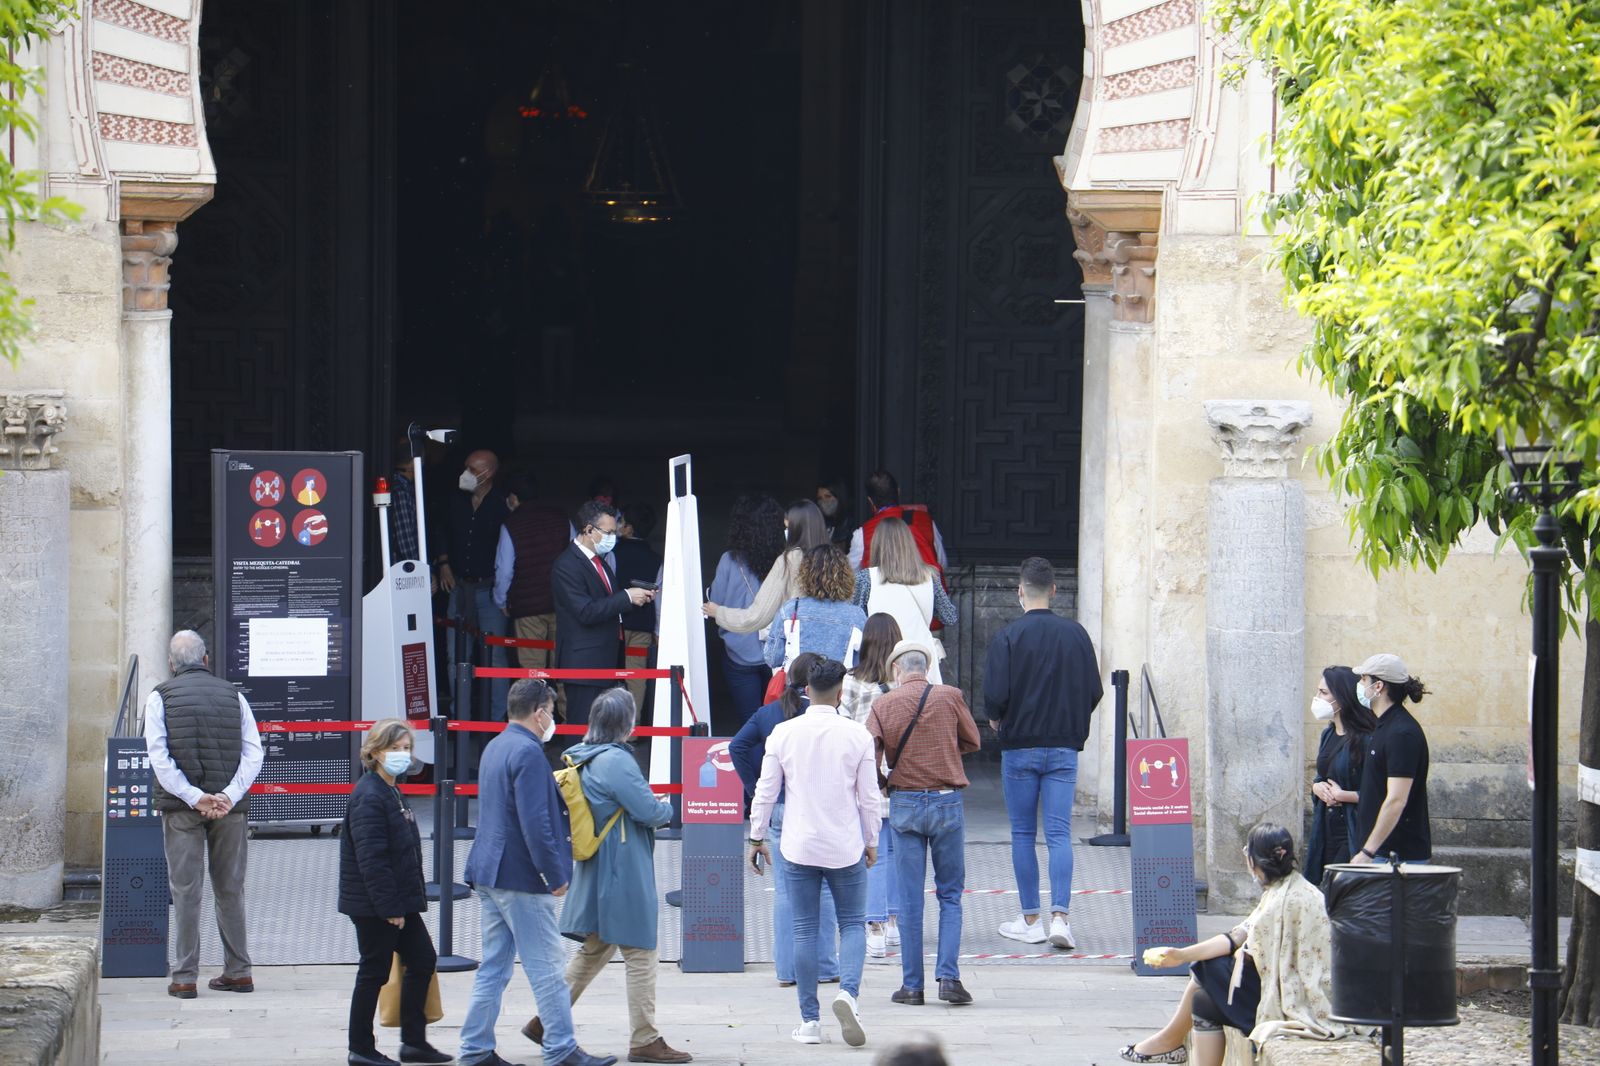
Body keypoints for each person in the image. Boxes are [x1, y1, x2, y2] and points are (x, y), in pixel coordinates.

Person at [522, 690, 690, 1064]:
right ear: (624, 723)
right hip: (623, 865)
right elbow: (647, 810)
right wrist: (668, 807)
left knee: (594, 949)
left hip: (599, 864)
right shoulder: (617, 760)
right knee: (642, 951)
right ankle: (644, 1038)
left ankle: (546, 1022)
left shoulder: (583, 754)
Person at [459, 679, 615, 1066]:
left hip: (489, 871)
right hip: (521, 877)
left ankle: (475, 1048)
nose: (554, 718)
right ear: (539, 712)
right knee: (546, 966)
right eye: (552, 710)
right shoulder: (528, 753)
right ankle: (560, 1048)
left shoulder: (496, 745)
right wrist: (554, 874)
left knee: (494, 967)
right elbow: (536, 822)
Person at [1120, 824, 1348, 1065]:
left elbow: (1246, 951)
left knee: (1209, 966)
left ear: (1253, 861)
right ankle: (1169, 1041)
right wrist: (1181, 955)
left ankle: (1169, 1040)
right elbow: (1237, 936)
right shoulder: (1291, 888)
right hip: (1305, 994)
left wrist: (1185, 956)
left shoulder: (1281, 900)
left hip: (1297, 1002)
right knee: (1203, 1002)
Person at [748, 659, 879, 1048]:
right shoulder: (857, 735)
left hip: (798, 844)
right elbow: (869, 798)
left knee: (804, 929)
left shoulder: (783, 733)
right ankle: (848, 995)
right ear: (841, 693)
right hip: (846, 844)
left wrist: (756, 837)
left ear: (806, 690)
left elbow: (766, 790)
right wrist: (871, 840)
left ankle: (809, 1021)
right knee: (853, 924)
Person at [982, 556, 1103, 950]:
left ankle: (1031, 917)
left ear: (1020, 592)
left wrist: (997, 720)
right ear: (1054, 589)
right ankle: (1061, 918)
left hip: (1020, 747)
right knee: (1059, 833)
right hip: (1063, 747)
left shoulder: (1008, 637)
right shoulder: (1077, 635)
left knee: (1022, 832)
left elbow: (995, 694)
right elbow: (1094, 691)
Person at [144, 630, 263, 1000]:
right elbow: (253, 753)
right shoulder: (235, 695)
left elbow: (159, 758)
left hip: (181, 809)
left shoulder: (158, 697)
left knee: (185, 890)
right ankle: (239, 971)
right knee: (230, 889)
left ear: (171, 663)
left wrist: (195, 797)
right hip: (229, 809)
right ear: (206, 659)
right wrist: (226, 796)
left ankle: (184, 977)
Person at [866, 641, 981, 1006]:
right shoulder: (950, 696)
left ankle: (912, 985)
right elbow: (973, 740)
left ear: (897, 671)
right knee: (950, 894)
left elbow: (869, 756)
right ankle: (948, 978)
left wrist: (885, 783)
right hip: (947, 801)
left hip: (906, 803)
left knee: (910, 899)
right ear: (926, 669)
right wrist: (945, 751)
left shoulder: (883, 704)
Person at [339, 719, 449, 1066]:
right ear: (374, 752)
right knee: (374, 971)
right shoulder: (370, 795)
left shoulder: (388, 789)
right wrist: (390, 907)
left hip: (396, 900)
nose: (402, 755)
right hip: (377, 904)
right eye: (395, 748)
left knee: (421, 959)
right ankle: (361, 1047)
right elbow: (373, 859)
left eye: (406, 749)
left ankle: (414, 1041)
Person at [728, 653, 841, 987]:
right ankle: (824, 966)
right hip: (819, 807)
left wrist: (755, 787)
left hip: (778, 806)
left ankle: (787, 971)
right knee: (825, 887)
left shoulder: (768, 713)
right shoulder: (825, 715)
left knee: (786, 892)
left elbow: (736, 747)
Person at [551, 500, 655, 728]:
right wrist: (626, 597)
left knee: (602, 732)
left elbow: (606, 603)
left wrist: (635, 599)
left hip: (605, 661)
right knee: (582, 734)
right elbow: (586, 611)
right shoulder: (566, 565)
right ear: (588, 529)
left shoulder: (600, 561)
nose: (614, 538)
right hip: (583, 665)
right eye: (608, 532)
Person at [838, 614, 904, 958]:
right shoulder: (906, 685)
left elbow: (844, 732)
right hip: (901, 779)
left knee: (873, 852)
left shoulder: (850, 682)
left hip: (866, 781)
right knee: (896, 854)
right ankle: (894, 922)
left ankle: (874, 925)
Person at [436, 449, 513, 720]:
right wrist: (443, 563)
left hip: (490, 591)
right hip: (458, 588)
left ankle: (495, 721)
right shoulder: (456, 498)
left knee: (495, 659)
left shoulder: (503, 504)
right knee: (456, 658)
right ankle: (460, 720)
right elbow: (441, 529)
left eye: (471, 469)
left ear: (487, 473)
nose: (465, 473)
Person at [494, 473, 573, 711]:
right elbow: (577, 556)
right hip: (562, 604)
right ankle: (570, 725)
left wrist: (501, 600)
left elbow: (504, 569)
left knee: (532, 671)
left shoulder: (511, 525)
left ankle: (533, 724)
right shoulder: (561, 518)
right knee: (564, 667)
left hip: (527, 609)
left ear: (513, 498)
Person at [707, 495, 787, 724]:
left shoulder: (728, 560)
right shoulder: (787, 561)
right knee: (779, 719)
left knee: (750, 721)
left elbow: (716, 601)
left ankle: (755, 759)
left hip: (738, 653)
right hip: (778, 651)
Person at [851, 517, 957, 685]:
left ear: (877, 545)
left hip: (881, 666)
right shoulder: (929, 576)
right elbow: (950, 616)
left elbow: (854, 619)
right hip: (921, 665)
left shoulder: (866, 578)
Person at [702, 499, 829, 638]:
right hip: (832, 647)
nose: (785, 533)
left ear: (797, 530)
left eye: (787, 528)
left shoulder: (790, 560)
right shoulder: (836, 559)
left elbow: (757, 616)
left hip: (801, 647)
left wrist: (718, 612)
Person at [1349, 653, 1432, 864]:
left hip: (1394, 858)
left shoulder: (1401, 733)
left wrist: (1368, 852)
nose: (1359, 684)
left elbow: (1396, 799)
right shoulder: (1384, 726)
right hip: (1380, 854)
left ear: (1378, 686)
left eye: (1363, 679)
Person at [1303, 666, 1377, 885]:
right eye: (1318, 691)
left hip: (1353, 829)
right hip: (1325, 827)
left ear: (1343, 696)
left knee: (1338, 889)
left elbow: (1380, 792)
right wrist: (1317, 788)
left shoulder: (1366, 739)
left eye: (1324, 693)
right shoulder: (1328, 733)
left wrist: (1343, 795)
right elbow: (1322, 777)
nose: (1317, 698)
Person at [762, 545, 868, 671]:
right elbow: (862, 661)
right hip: (839, 688)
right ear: (845, 576)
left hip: (797, 688)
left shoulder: (790, 610)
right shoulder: (856, 616)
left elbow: (772, 658)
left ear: (805, 574)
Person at [611, 505, 663, 714]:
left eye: (622, 521)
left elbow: (608, 589)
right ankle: (633, 727)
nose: (618, 525)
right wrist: (658, 630)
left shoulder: (613, 554)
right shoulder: (657, 559)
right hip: (642, 625)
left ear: (630, 529)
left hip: (615, 624)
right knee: (636, 675)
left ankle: (611, 724)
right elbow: (660, 599)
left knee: (611, 674)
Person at [848, 470, 948, 573]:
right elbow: (942, 563)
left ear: (870, 501)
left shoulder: (863, 534)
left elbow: (850, 573)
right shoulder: (926, 522)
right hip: (928, 586)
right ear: (898, 491)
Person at [387, 436, 420, 565]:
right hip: (405, 571)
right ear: (413, 463)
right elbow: (405, 540)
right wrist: (420, 568)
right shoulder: (400, 491)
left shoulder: (404, 487)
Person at [816, 480, 853, 547]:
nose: (823, 501)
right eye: (820, 498)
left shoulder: (850, 525)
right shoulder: (820, 524)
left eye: (828, 496)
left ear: (839, 497)